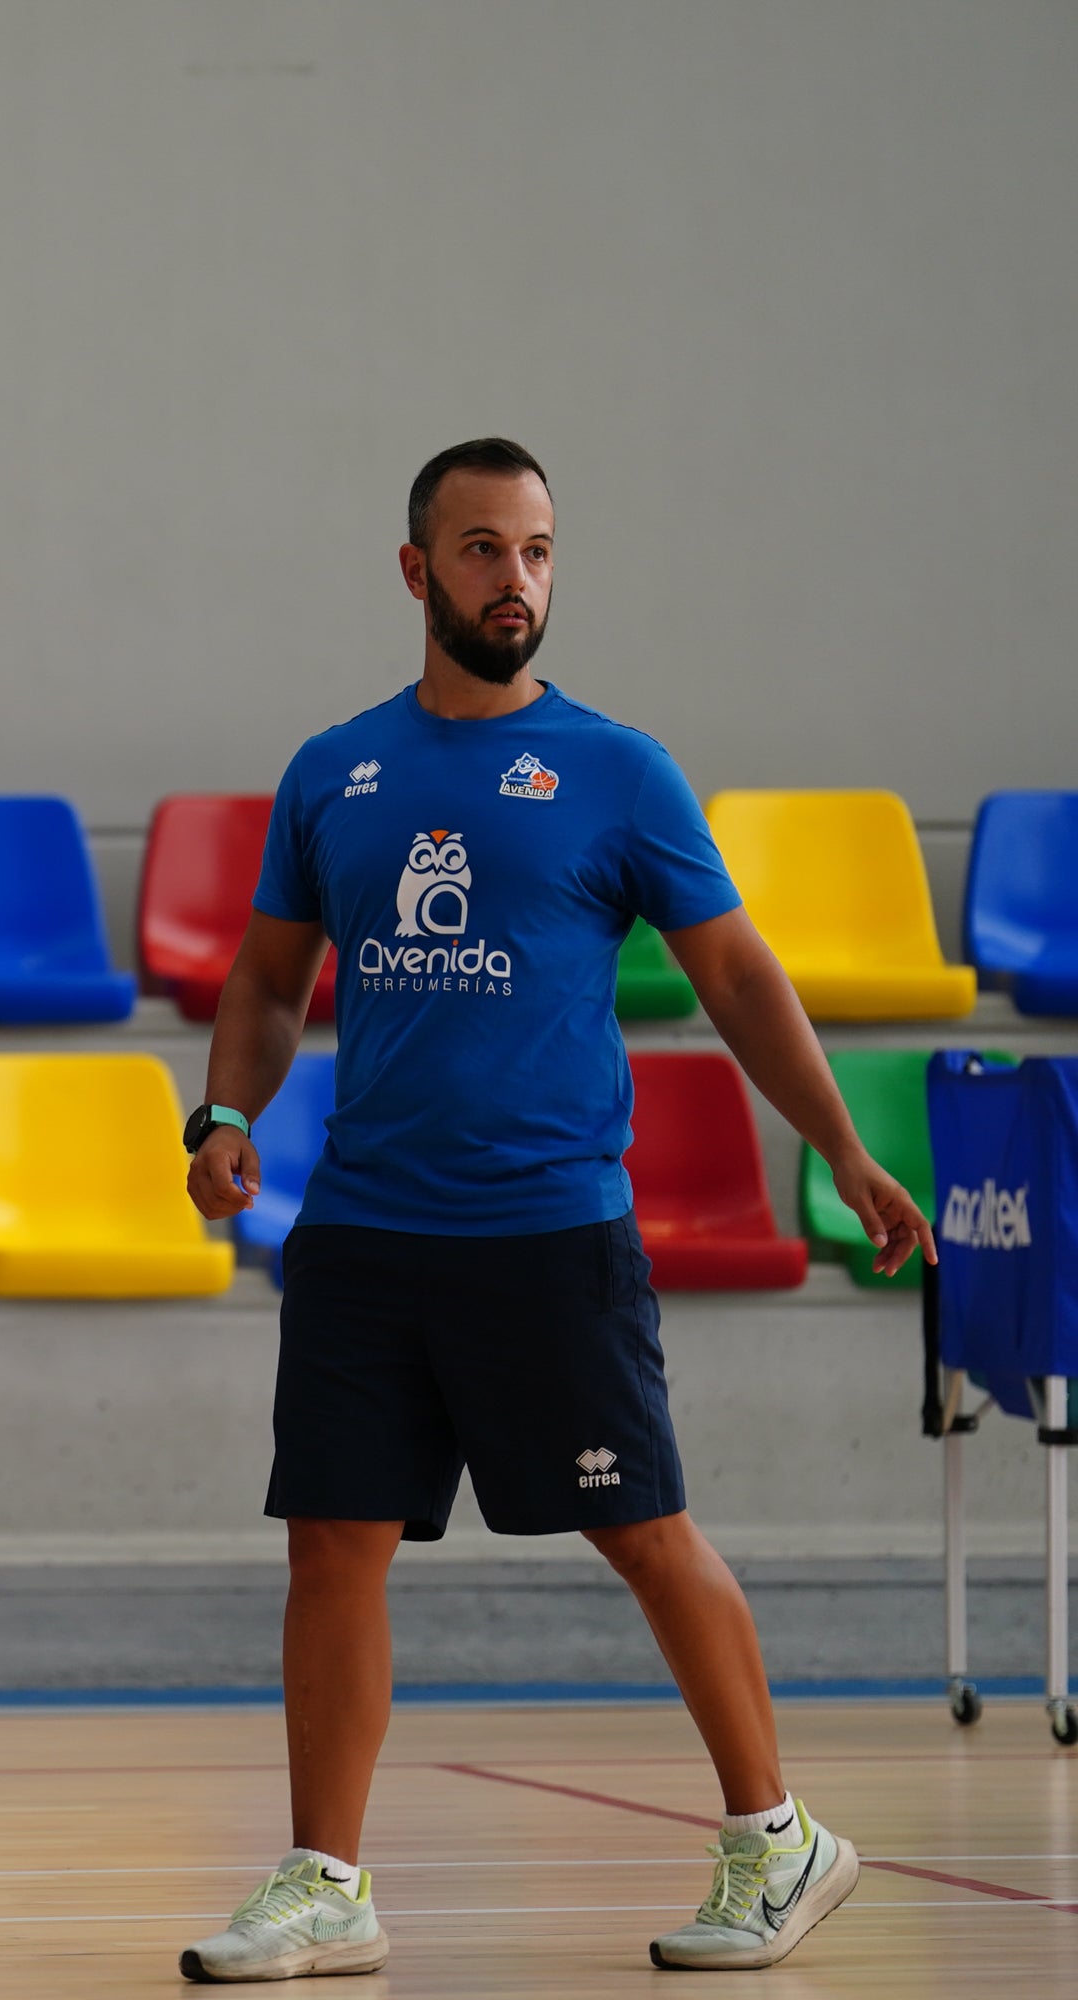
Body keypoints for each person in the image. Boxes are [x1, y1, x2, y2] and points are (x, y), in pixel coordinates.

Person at [176, 438, 929, 1982]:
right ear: (415, 572)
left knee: (642, 1530)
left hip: (550, 1231)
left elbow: (736, 977)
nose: (511, 579)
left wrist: (845, 1151)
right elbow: (263, 975)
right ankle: (327, 1882)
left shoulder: (616, 770)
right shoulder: (337, 770)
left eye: (532, 552)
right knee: (333, 1546)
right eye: (478, 551)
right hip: (368, 1232)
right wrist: (225, 1112)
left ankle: (778, 1843)